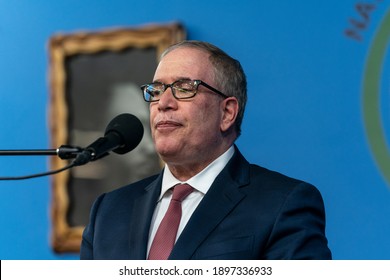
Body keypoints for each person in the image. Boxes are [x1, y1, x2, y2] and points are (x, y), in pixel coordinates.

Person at [80, 40, 332, 260]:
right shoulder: (109, 210)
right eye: (156, 90)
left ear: (227, 112)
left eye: (184, 88)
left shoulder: (282, 204)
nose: (164, 103)